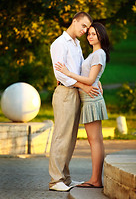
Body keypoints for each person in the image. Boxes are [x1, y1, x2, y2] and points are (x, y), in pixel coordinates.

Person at [55, 22, 110, 188]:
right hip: (89, 98)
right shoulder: (94, 53)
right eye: (89, 34)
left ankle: (95, 180)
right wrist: (95, 80)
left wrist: (67, 73)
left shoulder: (99, 53)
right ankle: (95, 179)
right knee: (94, 140)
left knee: (95, 141)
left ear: (101, 35)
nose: (90, 36)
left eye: (94, 34)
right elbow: (93, 76)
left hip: (91, 99)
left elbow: (91, 80)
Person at [49, 12, 100, 192]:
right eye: (83, 26)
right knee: (61, 136)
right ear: (74, 21)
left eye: (87, 28)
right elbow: (60, 73)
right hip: (65, 93)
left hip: (75, 93)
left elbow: (80, 68)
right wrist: (83, 86)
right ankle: (55, 181)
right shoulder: (59, 44)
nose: (85, 30)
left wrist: (94, 80)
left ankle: (65, 178)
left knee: (70, 139)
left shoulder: (77, 45)